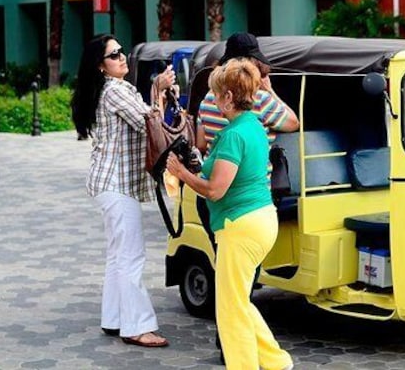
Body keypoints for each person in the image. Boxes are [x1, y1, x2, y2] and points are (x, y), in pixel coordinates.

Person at [167, 59, 294, 370]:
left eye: (215, 95)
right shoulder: (253, 125)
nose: (212, 100)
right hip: (259, 220)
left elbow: (214, 190)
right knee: (238, 301)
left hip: (241, 227)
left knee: (230, 308)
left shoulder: (234, 134)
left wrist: (182, 172)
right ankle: (277, 362)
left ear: (227, 96)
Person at [71, 34, 174, 349]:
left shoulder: (114, 89)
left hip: (111, 184)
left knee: (118, 255)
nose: (121, 57)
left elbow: (147, 119)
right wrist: (158, 89)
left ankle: (114, 319)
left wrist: (158, 94)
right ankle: (136, 326)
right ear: (101, 66)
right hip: (116, 185)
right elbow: (151, 124)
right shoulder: (115, 91)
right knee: (130, 255)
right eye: (114, 55)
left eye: (121, 51)